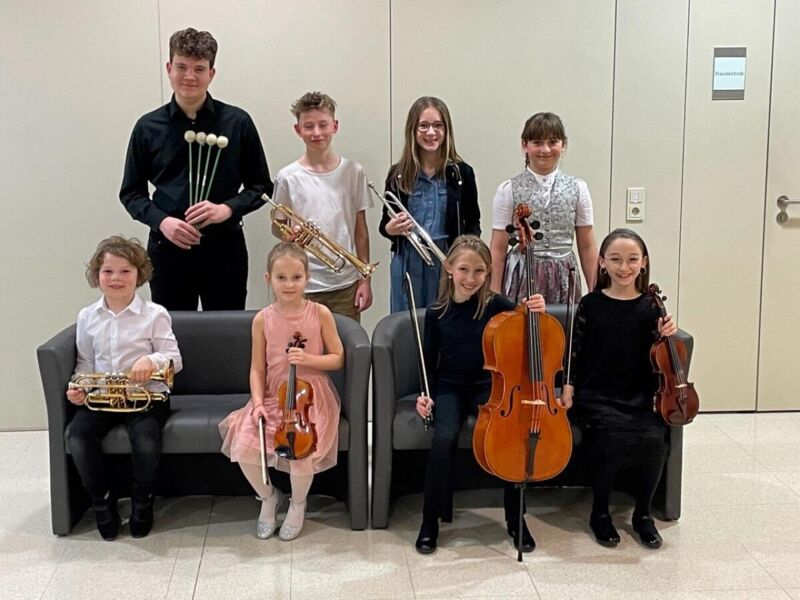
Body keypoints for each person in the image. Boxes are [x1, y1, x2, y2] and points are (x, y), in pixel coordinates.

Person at [120, 27, 272, 311]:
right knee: (173, 331)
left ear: (211, 73)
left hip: (224, 248)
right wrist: (163, 222)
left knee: (226, 330)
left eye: (199, 69)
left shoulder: (237, 122)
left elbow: (262, 187)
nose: (189, 76)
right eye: (182, 67)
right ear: (169, 68)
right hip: (168, 249)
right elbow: (131, 193)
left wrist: (226, 209)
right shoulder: (147, 127)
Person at [414, 235, 546, 555]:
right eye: (464, 269)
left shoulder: (496, 305)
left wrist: (535, 310)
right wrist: (424, 395)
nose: (471, 278)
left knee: (510, 435)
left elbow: (527, 329)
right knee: (443, 438)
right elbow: (428, 363)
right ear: (449, 268)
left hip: (489, 386)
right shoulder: (436, 312)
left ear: (488, 272)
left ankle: (515, 518)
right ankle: (430, 520)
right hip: (449, 387)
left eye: (479, 271)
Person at [560, 228, 677, 549]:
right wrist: (568, 387)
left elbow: (662, 358)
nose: (624, 267)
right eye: (615, 259)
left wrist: (667, 333)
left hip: (639, 394)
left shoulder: (652, 307)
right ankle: (600, 513)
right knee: (609, 440)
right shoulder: (590, 304)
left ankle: (643, 515)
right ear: (601, 263)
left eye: (632, 259)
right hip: (597, 395)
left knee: (655, 441)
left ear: (644, 263)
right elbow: (574, 352)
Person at [219, 242, 344, 541]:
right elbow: (257, 369)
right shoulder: (263, 319)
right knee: (244, 444)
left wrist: (309, 359)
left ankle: (298, 504)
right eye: (281, 278)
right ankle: (268, 497)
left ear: (307, 278)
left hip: (309, 397)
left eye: (296, 277)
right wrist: (258, 403)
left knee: (302, 452)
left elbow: (338, 358)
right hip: (273, 395)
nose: (289, 284)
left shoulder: (320, 313)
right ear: (268, 279)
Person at [66, 236, 183, 540]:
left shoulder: (155, 314)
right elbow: (85, 363)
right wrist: (79, 388)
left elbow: (174, 359)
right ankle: (101, 502)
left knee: (145, 439)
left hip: (146, 396)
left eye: (125, 271)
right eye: (108, 271)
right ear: (97, 275)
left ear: (139, 274)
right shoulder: (87, 316)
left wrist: (151, 361)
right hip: (103, 397)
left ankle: (142, 501)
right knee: (78, 436)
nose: (116, 278)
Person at [272, 91, 373, 322]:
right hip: (302, 283)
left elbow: (361, 230)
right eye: (308, 126)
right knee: (302, 343)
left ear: (335, 126)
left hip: (346, 284)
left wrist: (365, 280)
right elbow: (277, 226)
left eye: (323, 125)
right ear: (298, 130)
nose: (316, 133)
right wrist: (288, 234)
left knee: (345, 343)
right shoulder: (287, 177)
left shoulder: (354, 171)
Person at [378, 96, 480, 312]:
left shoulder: (462, 173)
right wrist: (391, 229)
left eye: (438, 126)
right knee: (408, 323)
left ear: (446, 130)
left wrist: (466, 261)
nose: (431, 133)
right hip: (408, 260)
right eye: (423, 126)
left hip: (448, 259)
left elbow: (473, 223)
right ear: (413, 130)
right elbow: (384, 225)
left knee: (446, 320)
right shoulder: (397, 174)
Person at [489, 112, 598, 304]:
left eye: (553, 142)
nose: (545, 149)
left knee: (563, 323)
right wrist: (494, 295)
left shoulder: (578, 188)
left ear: (563, 145)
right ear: (525, 145)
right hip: (524, 274)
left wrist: (596, 293)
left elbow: (587, 245)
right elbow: (498, 247)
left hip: (564, 275)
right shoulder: (507, 190)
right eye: (537, 142)